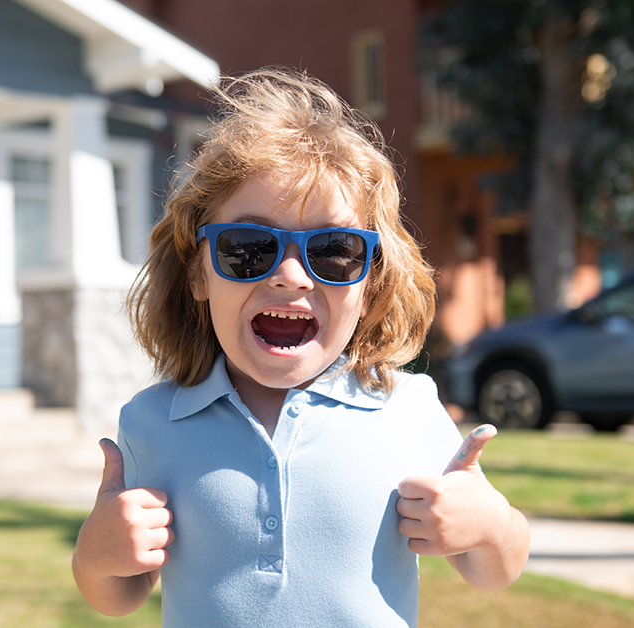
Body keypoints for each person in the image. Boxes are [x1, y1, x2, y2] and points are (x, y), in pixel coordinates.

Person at [71, 67, 529, 627]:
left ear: (371, 286)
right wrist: (97, 555)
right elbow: (119, 593)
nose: (291, 276)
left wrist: (492, 525)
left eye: (334, 250)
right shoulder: (151, 421)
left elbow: (495, 571)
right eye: (249, 248)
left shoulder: (408, 410)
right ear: (198, 275)